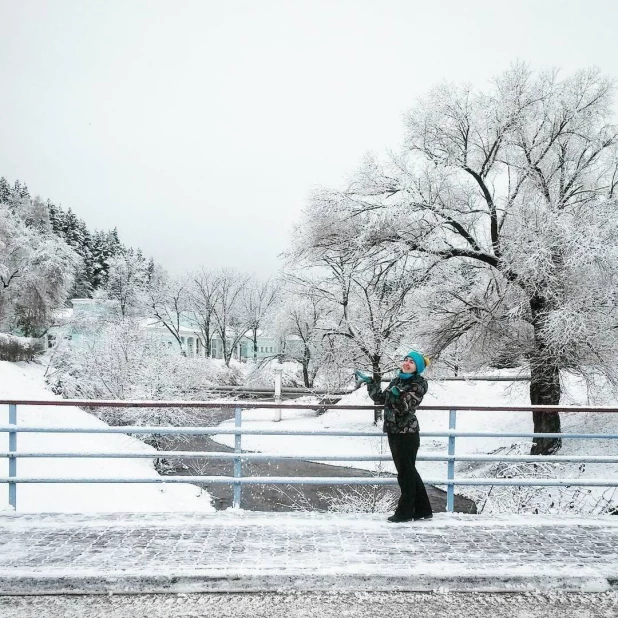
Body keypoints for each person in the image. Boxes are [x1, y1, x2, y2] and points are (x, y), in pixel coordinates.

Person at [355, 350, 433, 523]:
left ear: (417, 367)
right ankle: (423, 509)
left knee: (405, 473)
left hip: (407, 432)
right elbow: (381, 399)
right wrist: (371, 383)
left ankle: (404, 512)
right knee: (408, 470)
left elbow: (405, 407)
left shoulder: (419, 384)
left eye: (411, 362)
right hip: (393, 430)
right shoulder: (397, 380)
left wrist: (398, 395)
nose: (406, 363)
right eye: (405, 359)